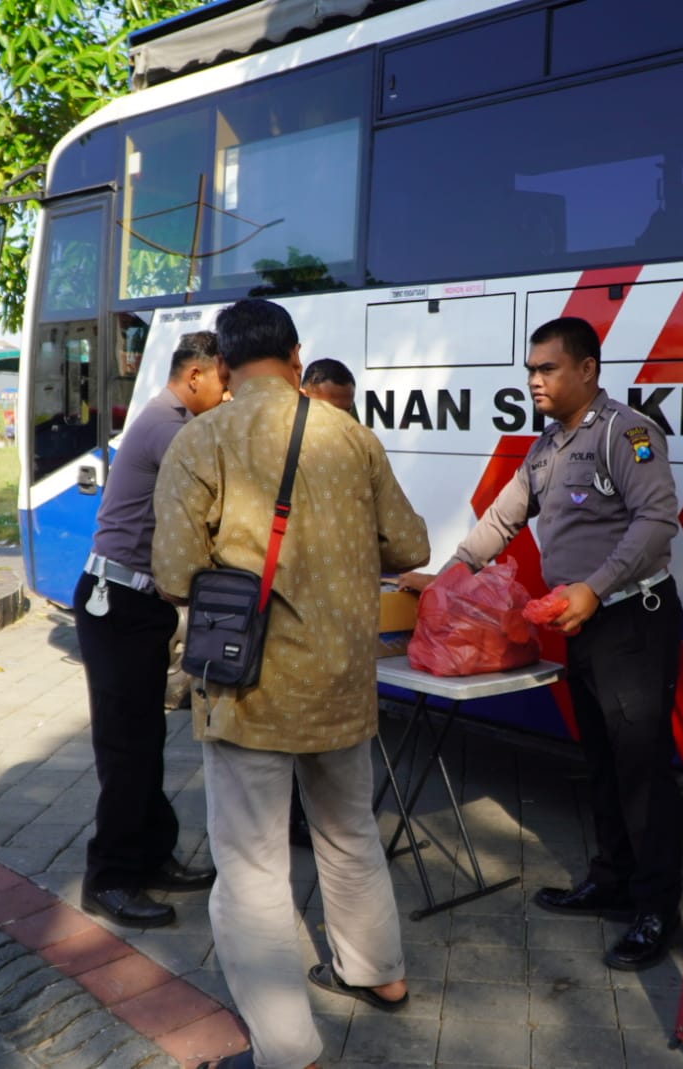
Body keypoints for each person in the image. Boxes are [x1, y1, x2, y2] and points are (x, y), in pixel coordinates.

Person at [152, 299, 429, 1069]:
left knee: (252, 867)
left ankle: (287, 1047)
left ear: (225, 364)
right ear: (297, 355)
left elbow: (174, 570)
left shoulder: (203, 437)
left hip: (249, 687)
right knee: (348, 833)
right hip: (345, 678)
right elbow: (410, 542)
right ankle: (380, 973)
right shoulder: (351, 434)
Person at [400, 315, 683, 972]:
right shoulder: (548, 446)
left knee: (641, 768)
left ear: (587, 369)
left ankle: (654, 909)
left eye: (547, 367)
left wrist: (596, 585)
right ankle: (611, 879)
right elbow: (501, 518)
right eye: (531, 369)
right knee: (603, 762)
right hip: (578, 623)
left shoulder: (628, 432)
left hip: (629, 619)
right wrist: (445, 578)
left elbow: (658, 519)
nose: (534, 379)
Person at [74, 330, 225, 928]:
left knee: (146, 743)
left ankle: (154, 853)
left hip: (141, 606)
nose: (230, 395)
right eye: (226, 383)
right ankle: (107, 879)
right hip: (117, 605)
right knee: (124, 748)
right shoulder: (171, 426)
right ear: (196, 377)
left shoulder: (174, 420)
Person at [286, 358, 362, 851]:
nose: (339, 417)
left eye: (347, 408)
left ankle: (316, 819)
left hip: (337, 610)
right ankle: (295, 820)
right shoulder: (281, 439)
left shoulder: (356, 439)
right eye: (330, 406)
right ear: (306, 392)